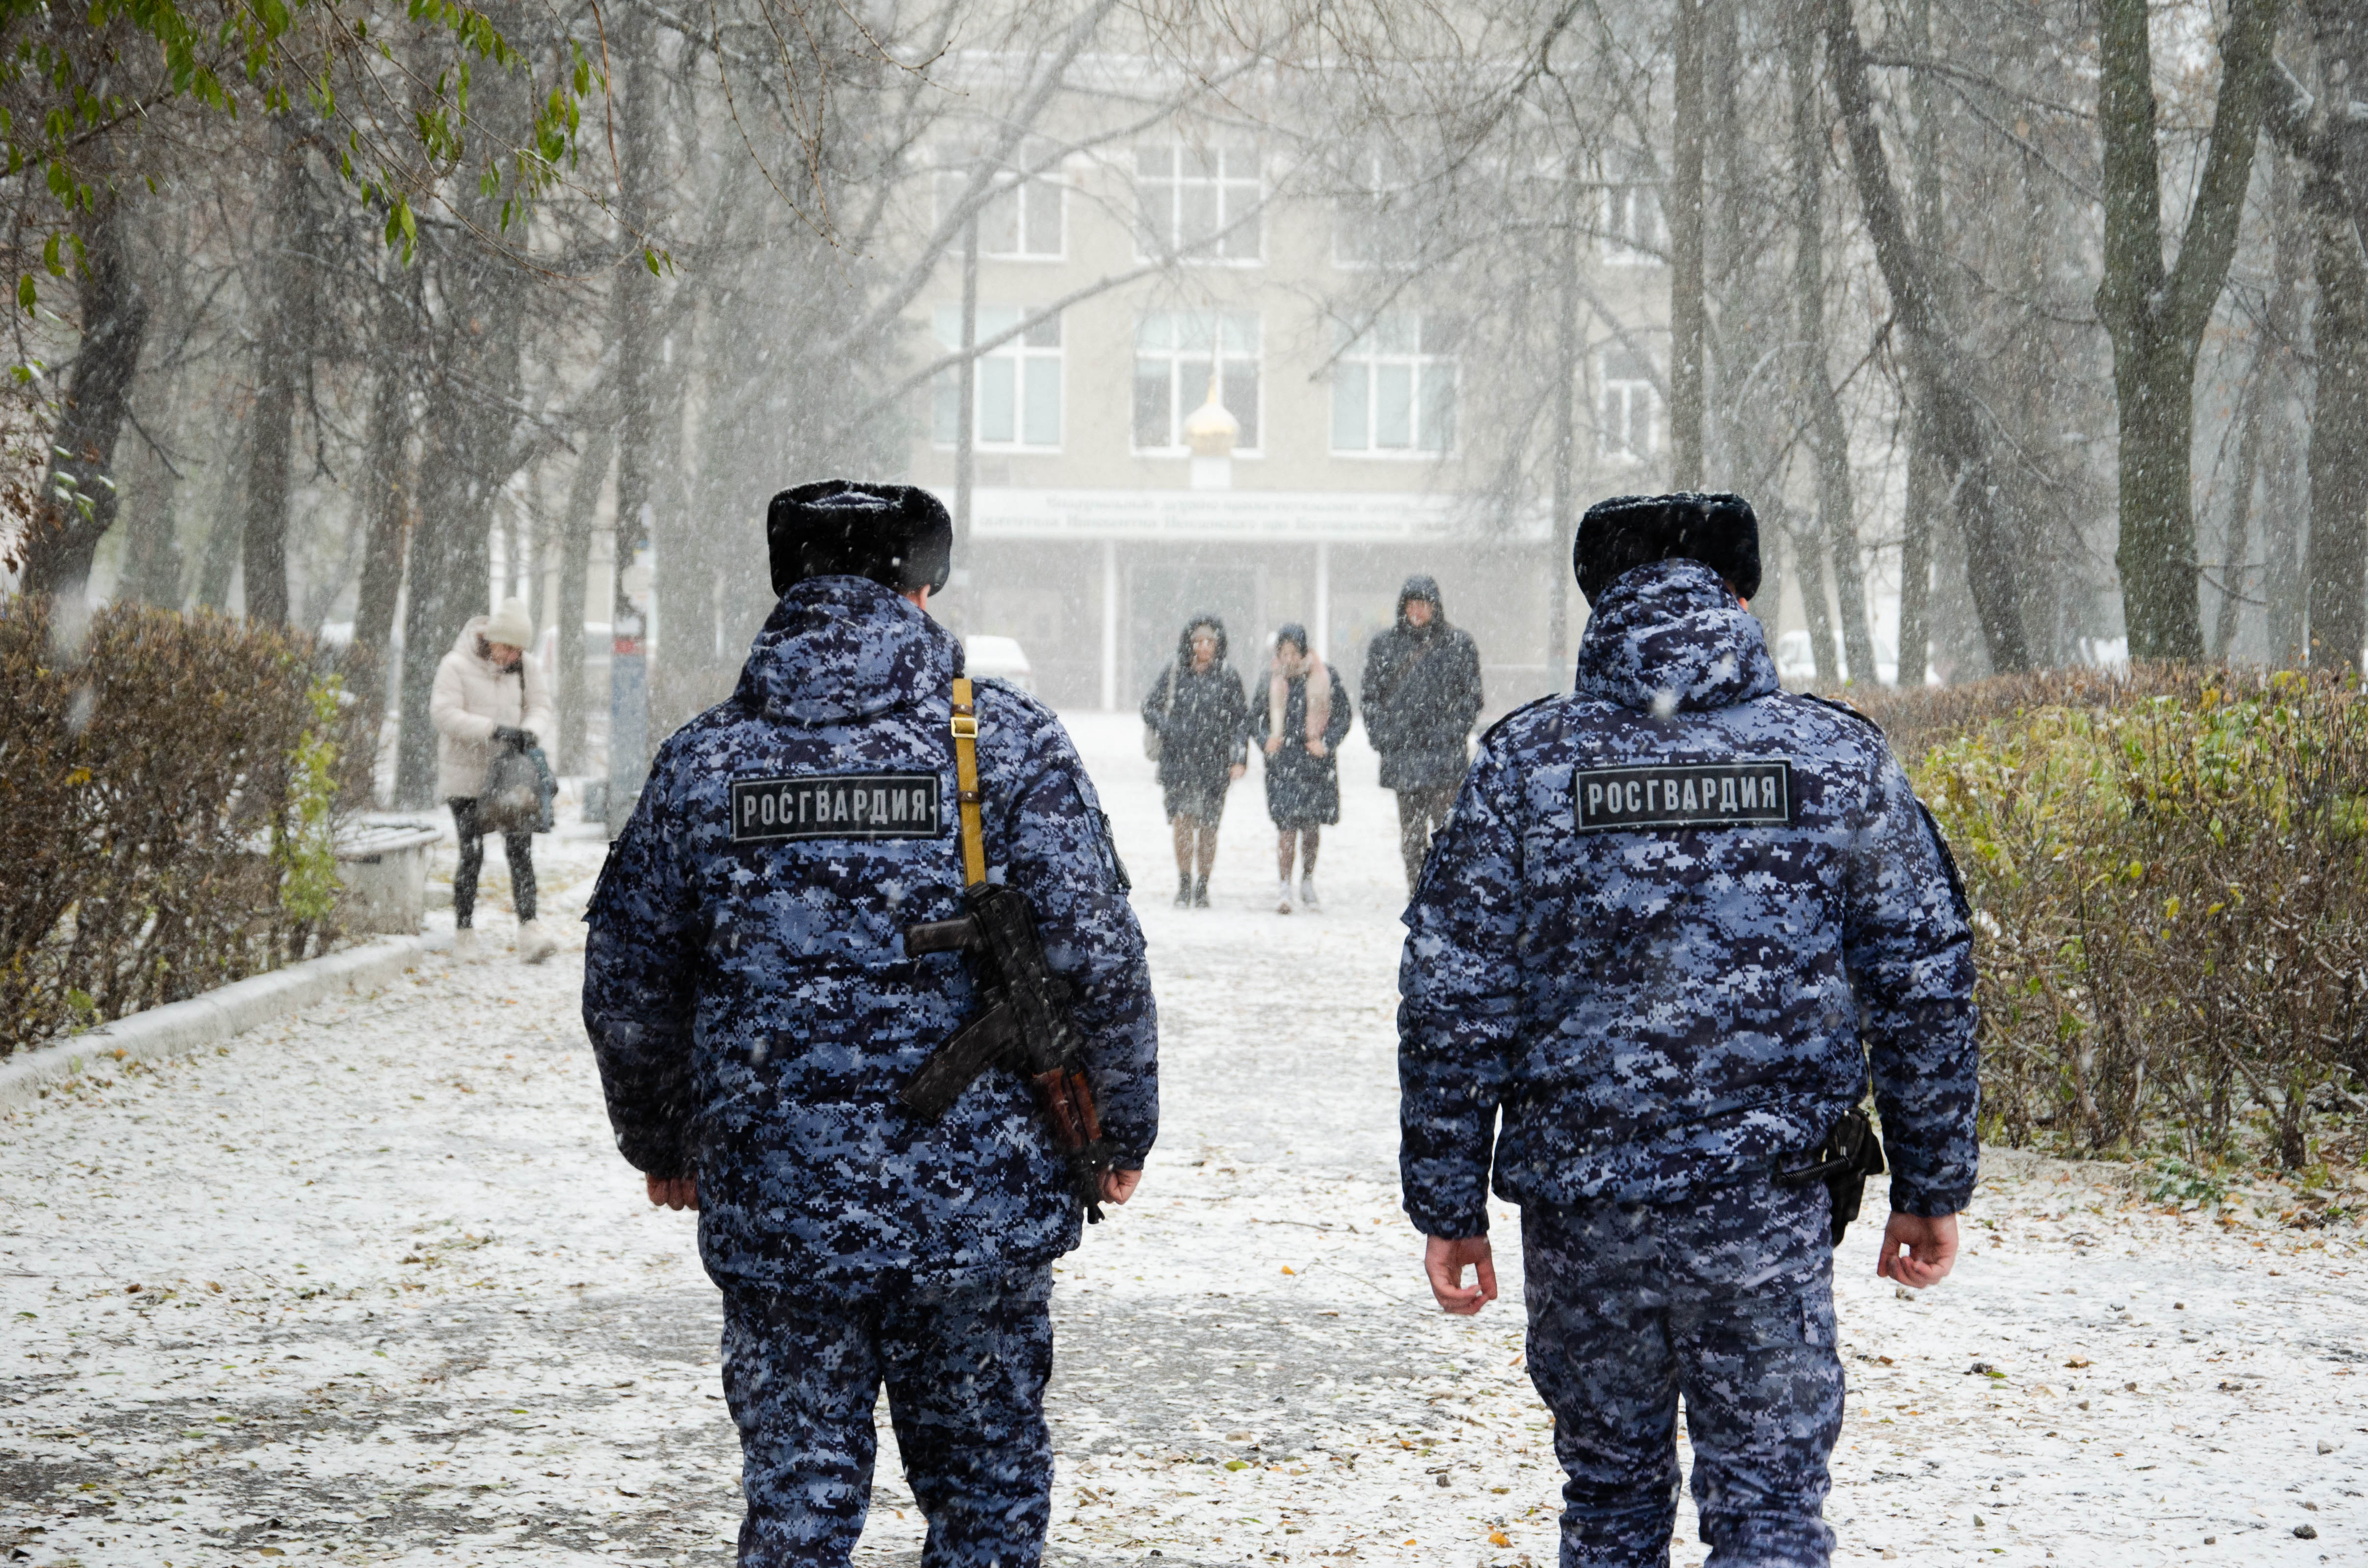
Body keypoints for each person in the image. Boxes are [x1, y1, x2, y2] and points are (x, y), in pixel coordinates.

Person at [582, 479, 1156, 1568]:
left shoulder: (706, 765)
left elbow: (628, 981)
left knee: (798, 1510)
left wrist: (661, 1140)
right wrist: (1120, 1130)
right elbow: (1100, 960)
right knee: (985, 1505)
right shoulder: (1006, 747)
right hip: (977, 1209)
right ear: (924, 590)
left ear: (784, 585)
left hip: (779, 1202)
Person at [1398, 492, 1978, 1568]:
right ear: (1743, 601)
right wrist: (1931, 1184)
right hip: (1765, 1213)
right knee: (1769, 1514)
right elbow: (1922, 981)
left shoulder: (1526, 769)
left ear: (1600, 605)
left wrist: (1450, 1203)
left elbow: (1453, 997)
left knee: (1611, 1505)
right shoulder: (1833, 761)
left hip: (1586, 1218)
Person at [429, 595, 557, 963]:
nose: (512, 657)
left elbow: (541, 706)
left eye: (519, 650)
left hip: (510, 779)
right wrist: (492, 730)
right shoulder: (455, 666)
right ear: (492, 639)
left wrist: (529, 731)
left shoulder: (526, 667)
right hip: (466, 778)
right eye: (508, 648)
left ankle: (530, 927)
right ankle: (465, 930)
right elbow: (444, 714)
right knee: (472, 853)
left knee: (521, 850)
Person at [1359, 575, 1484, 893]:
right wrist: (1384, 736)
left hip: (1445, 757)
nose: (1417, 610)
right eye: (1411, 603)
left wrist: (1451, 732)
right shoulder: (1385, 646)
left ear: (1435, 606)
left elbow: (1472, 697)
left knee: (1447, 831)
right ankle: (1417, 891)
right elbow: (1370, 697)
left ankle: (1443, 891)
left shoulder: (1458, 644)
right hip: (1405, 756)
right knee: (1412, 835)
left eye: (1423, 603)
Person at [1141, 613, 1247, 908]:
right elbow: (1149, 707)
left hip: (1215, 764)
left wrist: (1239, 757)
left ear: (1218, 644)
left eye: (1209, 641)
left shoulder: (1228, 676)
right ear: (1189, 644)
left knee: (1210, 828)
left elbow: (1241, 721)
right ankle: (1184, 882)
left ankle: (1203, 886)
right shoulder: (1175, 673)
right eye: (1198, 641)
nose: (1203, 647)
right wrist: (1170, 729)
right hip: (1180, 763)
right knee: (1183, 823)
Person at [1245, 622, 1351, 914]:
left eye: (1294, 652)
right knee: (1287, 827)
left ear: (1304, 651)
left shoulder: (1326, 676)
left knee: (1312, 827)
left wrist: (1326, 742)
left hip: (1315, 764)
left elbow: (1343, 716)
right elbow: (1254, 717)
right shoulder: (1271, 679)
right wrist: (1266, 739)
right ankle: (1283, 886)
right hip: (1283, 764)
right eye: (1284, 652)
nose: (1289, 658)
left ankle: (1307, 880)